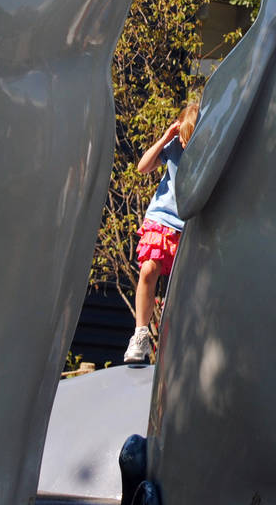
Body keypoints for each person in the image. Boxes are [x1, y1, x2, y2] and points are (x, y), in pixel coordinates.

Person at [123, 101, 197, 366]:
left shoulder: (208, 150)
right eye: (184, 139)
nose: (186, 145)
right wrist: (167, 137)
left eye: (192, 139)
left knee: (184, 285)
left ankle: (180, 340)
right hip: (163, 217)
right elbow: (143, 168)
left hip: (189, 224)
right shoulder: (174, 145)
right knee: (148, 270)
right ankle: (140, 333)